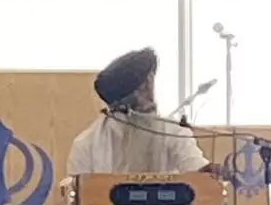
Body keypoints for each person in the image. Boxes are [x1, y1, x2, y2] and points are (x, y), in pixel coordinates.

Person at [67, 47, 210, 176]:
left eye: (150, 83)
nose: (150, 95)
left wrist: (212, 171)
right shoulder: (86, 145)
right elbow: (79, 198)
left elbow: (197, 169)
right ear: (121, 102)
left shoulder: (173, 132)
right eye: (143, 88)